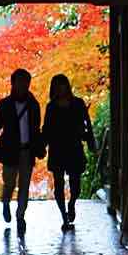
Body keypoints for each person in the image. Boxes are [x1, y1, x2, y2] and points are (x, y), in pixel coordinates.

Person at [0, 68, 42, 236]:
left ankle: (20, 216)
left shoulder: (33, 105)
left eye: (25, 82)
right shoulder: (4, 104)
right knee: (9, 183)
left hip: (27, 149)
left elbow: (36, 128)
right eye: (19, 82)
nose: (22, 86)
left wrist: (39, 146)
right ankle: (5, 202)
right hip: (10, 150)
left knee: (24, 186)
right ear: (13, 83)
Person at [41, 74, 95, 232]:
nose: (60, 88)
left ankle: (71, 204)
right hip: (57, 148)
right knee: (58, 183)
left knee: (75, 184)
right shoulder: (51, 107)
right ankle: (64, 217)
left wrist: (89, 140)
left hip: (74, 147)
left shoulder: (78, 103)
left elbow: (87, 124)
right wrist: (41, 145)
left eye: (62, 85)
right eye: (56, 85)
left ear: (67, 86)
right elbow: (47, 128)